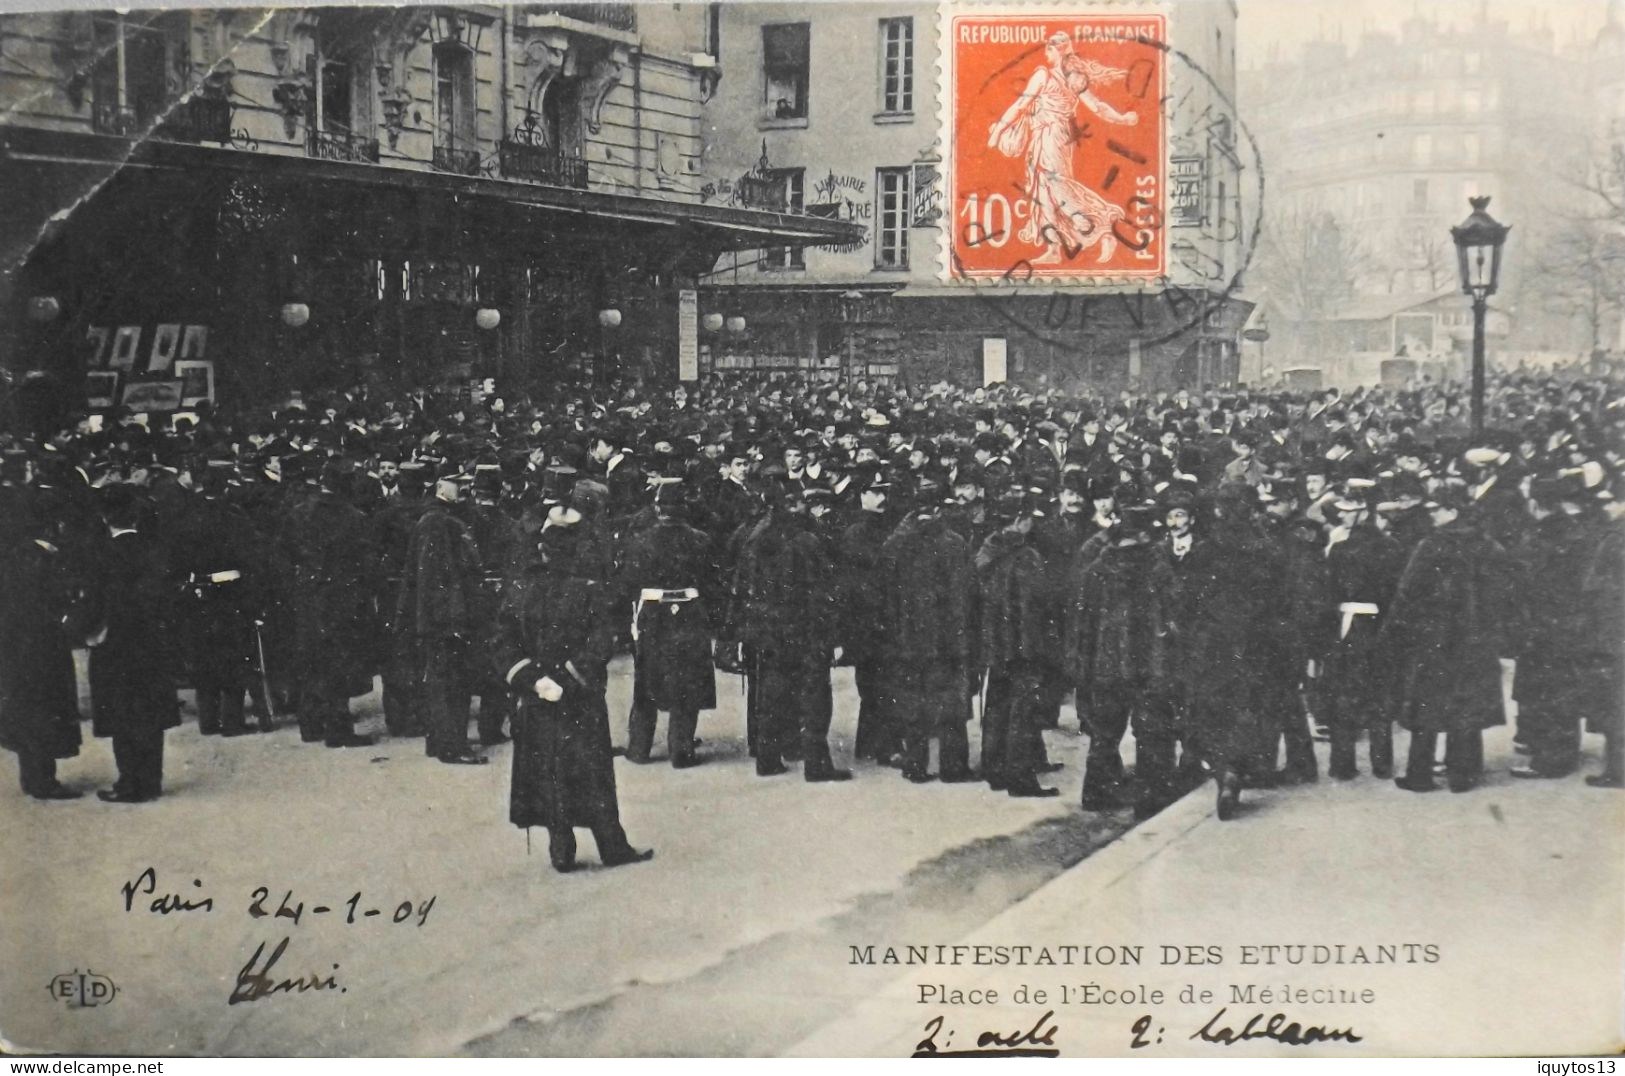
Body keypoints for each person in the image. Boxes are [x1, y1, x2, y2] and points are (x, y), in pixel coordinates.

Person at [497, 484, 652, 873]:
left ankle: (560, 846)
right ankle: (611, 846)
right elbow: (602, 642)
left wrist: (532, 680)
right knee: (593, 773)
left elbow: (502, 644)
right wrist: (567, 678)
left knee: (547, 769)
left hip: (537, 696)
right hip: (579, 693)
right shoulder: (590, 591)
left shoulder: (519, 590)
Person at [1385, 487, 1517, 794]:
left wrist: (1396, 631)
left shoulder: (1432, 545)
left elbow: (1407, 592)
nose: (1432, 513)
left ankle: (1420, 775)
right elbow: (1505, 591)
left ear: (1453, 512)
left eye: (1438, 508)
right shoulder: (1488, 546)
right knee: (1466, 704)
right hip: (1476, 639)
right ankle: (1464, 773)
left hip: (1435, 638)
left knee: (1426, 704)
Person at [986, 33, 1137, 265]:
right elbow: (1099, 107)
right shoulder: (1074, 79)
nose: (1045, 54)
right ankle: (1053, 248)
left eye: (1048, 50)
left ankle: (1104, 227)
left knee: (1057, 188)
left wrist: (997, 132)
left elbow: (1020, 104)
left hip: (1050, 136)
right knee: (1044, 193)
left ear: (1055, 51)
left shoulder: (1043, 75)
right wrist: (1123, 119)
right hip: (1056, 137)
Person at [617, 478, 718, 768]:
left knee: (646, 678)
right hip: (690, 611)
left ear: (657, 507)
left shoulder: (639, 541)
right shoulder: (701, 540)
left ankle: (639, 748)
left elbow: (628, 583)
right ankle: (681, 750)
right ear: (685, 508)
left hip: (652, 613)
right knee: (687, 680)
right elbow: (711, 582)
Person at [88, 486, 179, 803]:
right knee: (150, 715)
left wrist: (86, 632)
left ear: (105, 518)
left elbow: (94, 603)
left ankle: (129, 782)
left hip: (115, 645)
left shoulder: (101, 554)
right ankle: (151, 781)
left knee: (122, 715)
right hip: (152, 643)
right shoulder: (155, 550)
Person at [882, 497, 976, 784]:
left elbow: (886, 589)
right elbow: (966, 594)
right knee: (950, 704)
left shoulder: (899, 543)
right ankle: (953, 766)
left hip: (909, 640)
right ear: (939, 510)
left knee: (915, 703)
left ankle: (915, 764)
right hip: (946, 641)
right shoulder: (955, 542)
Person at [399, 468, 487, 765]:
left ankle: (440, 741)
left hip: (441, 619)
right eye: (458, 483)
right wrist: (453, 621)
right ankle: (452, 746)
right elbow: (439, 578)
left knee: (442, 680)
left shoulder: (440, 518)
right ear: (440, 486)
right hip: (447, 621)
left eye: (468, 483)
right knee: (452, 682)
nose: (466, 488)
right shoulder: (439, 522)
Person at [0, 509, 84, 799]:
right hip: (41, 647)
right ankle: (43, 780)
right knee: (45, 708)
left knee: (28, 708)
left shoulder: (16, 555)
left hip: (17, 647)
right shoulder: (42, 561)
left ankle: (32, 775)